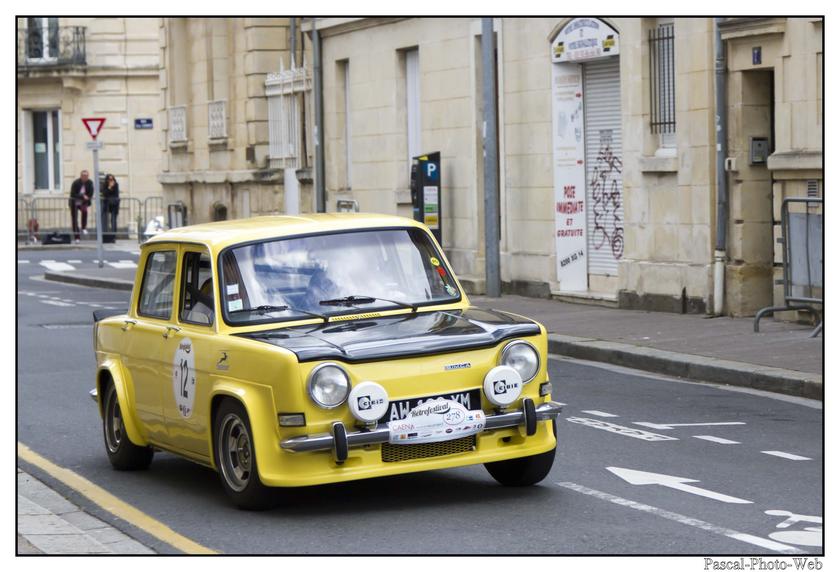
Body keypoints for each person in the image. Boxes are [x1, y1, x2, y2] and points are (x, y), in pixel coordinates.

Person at [69, 170, 93, 243]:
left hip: (83, 202)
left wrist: (87, 197)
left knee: (85, 212)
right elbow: (73, 194)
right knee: (74, 219)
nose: (85, 177)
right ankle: (77, 237)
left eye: (86, 176)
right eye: (84, 176)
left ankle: (83, 227)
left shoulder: (90, 183)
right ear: (81, 176)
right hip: (74, 202)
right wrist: (82, 196)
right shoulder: (76, 183)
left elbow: (91, 193)